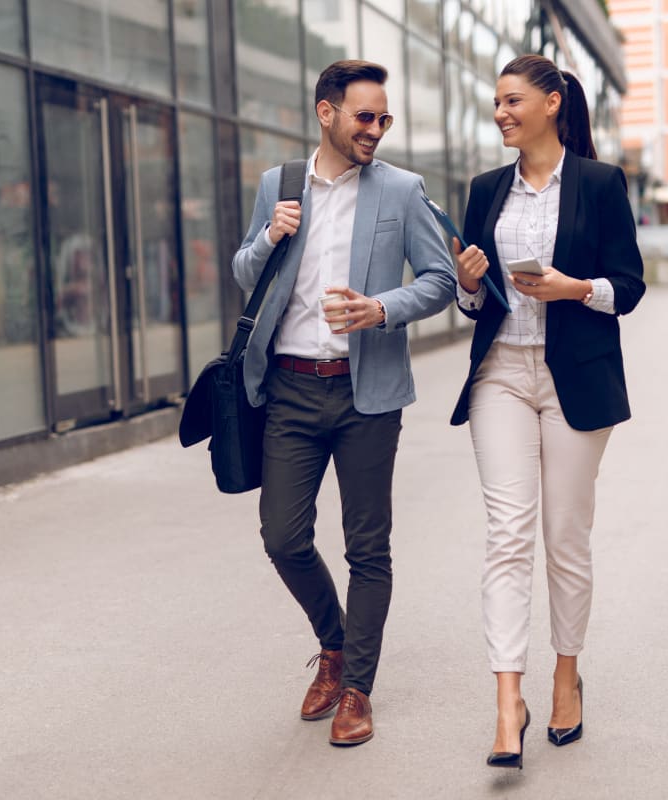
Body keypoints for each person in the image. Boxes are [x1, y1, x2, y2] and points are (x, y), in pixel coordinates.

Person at [232, 60, 456, 747]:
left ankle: (356, 686)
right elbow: (246, 273)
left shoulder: (400, 189)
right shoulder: (280, 184)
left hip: (367, 396)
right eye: (365, 116)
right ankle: (332, 643)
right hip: (291, 390)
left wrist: (380, 308)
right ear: (326, 113)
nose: (376, 130)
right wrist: (269, 236)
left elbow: (441, 279)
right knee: (283, 537)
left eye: (384, 118)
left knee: (368, 547)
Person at [449, 54, 645, 769]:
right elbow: (474, 304)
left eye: (511, 100)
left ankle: (566, 675)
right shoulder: (484, 190)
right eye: (495, 103)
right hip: (500, 372)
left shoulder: (599, 184)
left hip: (575, 381)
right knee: (507, 535)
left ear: (552, 102)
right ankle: (508, 702)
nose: (501, 113)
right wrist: (469, 285)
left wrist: (574, 289)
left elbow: (629, 286)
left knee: (565, 536)